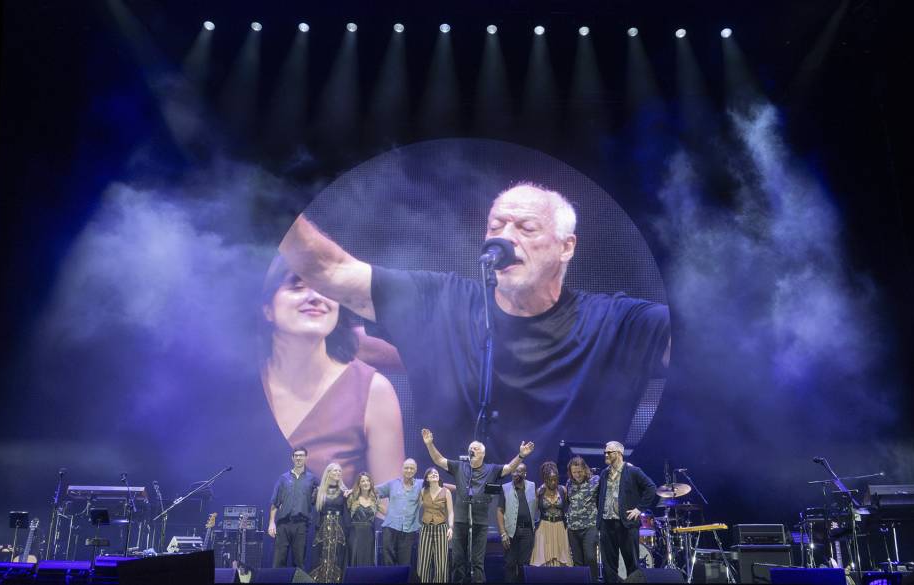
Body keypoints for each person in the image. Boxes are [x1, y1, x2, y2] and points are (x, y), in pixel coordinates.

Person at [278, 183, 672, 464]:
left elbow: (699, 348)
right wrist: (272, 199)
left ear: (566, 246)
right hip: (453, 529)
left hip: (570, 536)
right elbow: (328, 268)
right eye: (495, 227)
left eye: (526, 228)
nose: (504, 239)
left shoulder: (617, 322)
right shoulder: (438, 302)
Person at [259, 255, 404, 486]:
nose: (315, 297)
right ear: (267, 309)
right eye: (297, 286)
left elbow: (389, 503)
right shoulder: (240, 384)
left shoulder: (374, 392)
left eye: (324, 288)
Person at [422, 428, 534, 583]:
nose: (472, 450)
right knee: (458, 560)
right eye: (470, 448)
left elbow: (509, 468)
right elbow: (439, 460)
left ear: (482, 453)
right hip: (460, 522)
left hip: (480, 523)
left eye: (475, 448)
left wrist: (521, 455)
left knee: (477, 562)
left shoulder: (491, 469)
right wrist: (429, 444)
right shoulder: (459, 467)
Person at [596, 441, 657, 583]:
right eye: (605, 452)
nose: (606, 455)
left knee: (632, 564)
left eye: (609, 452)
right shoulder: (604, 473)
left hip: (626, 524)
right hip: (606, 524)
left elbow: (651, 488)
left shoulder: (633, 471)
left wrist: (639, 509)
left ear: (619, 453)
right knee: (608, 566)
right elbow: (599, 496)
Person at [268, 446, 319, 570]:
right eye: (296, 455)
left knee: (299, 562)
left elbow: (322, 495)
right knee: (278, 561)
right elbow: (275, 502)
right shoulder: (283, 478)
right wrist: (271, 523)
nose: (298, 458)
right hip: (283, 525)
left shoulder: (312, 479)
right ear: (292, 458)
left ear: (306, 458)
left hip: (301, 525)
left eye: (301, 455)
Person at [374, 459, 423, 568]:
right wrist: (352, 491)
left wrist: (457, 487)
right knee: (388, 561)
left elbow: (438, 485)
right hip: (390, 527)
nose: (409, 470)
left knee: (404, 563)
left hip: (409, 529)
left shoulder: (420, 484)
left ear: (416, 470)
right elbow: (372, 490)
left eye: (411, 468)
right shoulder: (392, 484)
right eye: (406, 468)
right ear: (402, 469)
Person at [311, 463, 352, 583]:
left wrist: (350, 495)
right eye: (335, 471)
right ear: (328, 473)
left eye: (339, 471)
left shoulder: (344, 492)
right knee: (321, 555)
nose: (338, 473)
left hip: (339, 528)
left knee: (338, 555)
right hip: (323, 528)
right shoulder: (319, 491)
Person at [496, 463, 536, 583]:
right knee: (510, 564)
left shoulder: (532, 486)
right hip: (510, 532)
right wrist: (503, 533)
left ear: (525, 474)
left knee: (524, 565)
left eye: (518, 471)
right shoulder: (505, 487)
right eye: (513, 471)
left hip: (527, 531)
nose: (515, 474)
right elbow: (500, 511)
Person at [565, 456, 600, 581]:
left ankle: (593, 581)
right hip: (573, 528)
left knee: (590, 557)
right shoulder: (569, 483)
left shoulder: (596, 480)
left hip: (590, 526)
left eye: (579, 471)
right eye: (574, 472)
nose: (577, 475)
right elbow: (568, 503)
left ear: (585, 469)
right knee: (577, 561)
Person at [530, 461, 571, 568]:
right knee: (543, 558)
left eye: (555, 479)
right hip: (544, 526)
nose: (553, 482)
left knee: (561, 557)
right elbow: (534, 510)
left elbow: (567, 508)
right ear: (545, 479)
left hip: (560, 526)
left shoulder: (563, 490)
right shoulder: (539, 492)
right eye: (550, 480)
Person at [417, 467, 453, 583]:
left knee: (441, 562)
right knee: (423, 561)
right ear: (427, 478)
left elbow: (451, 512)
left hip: (441, 528)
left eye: (436, 473)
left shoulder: (446, 492)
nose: (434, 474)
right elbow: (416, 508)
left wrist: (451, 527)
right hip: (426, 528)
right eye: (431, 473)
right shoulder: (423, 491)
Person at [346, 471, 377, 567]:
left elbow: (386, 512)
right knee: (354, 558)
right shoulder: (352, 498)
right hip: (355, 534)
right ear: (359, 484)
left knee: (368, 559)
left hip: (369, 534)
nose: (366, 483)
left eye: (368, 480)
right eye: (363, 481)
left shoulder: (375, 499)